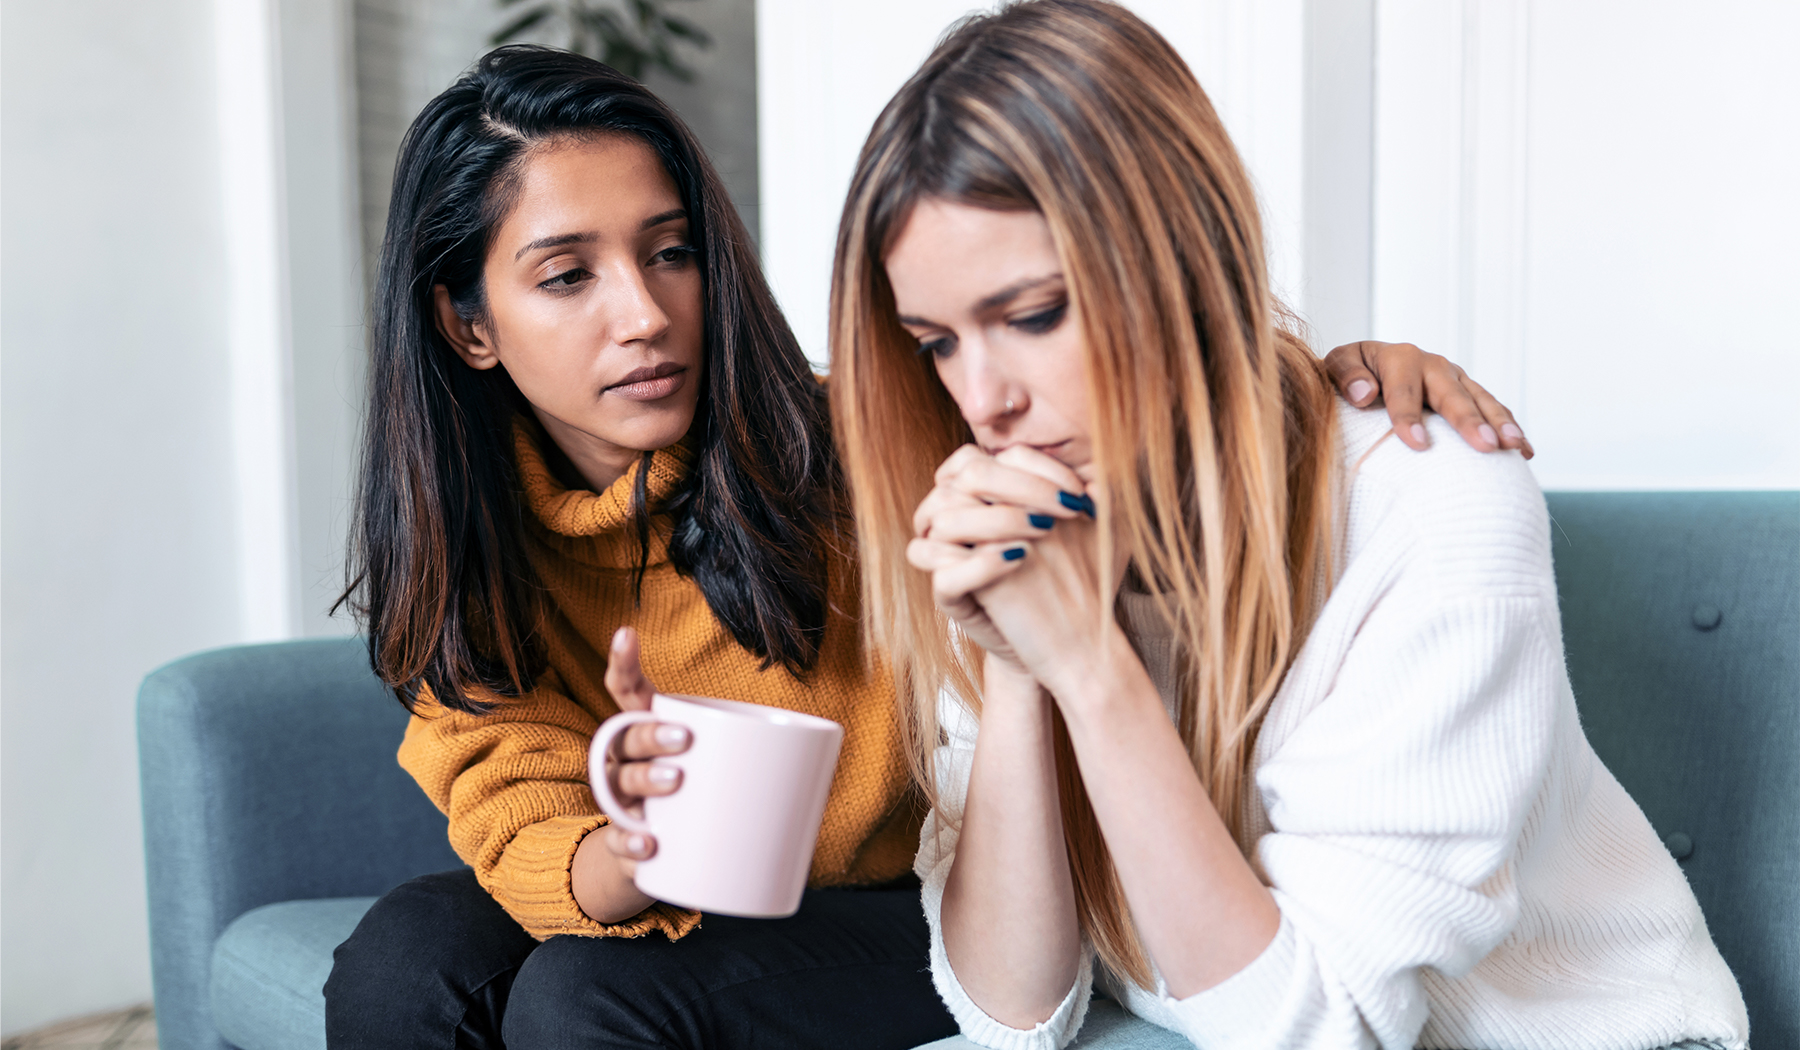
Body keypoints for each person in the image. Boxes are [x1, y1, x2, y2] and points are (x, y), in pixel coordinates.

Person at [324, 40, 1527, 1050]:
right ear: (468, 325)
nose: (644, 314)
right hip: (684, 884)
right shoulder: (463, 549)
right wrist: (639, 849)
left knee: (588, 998)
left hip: (914, 891)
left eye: (672, 250)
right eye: (567, 275)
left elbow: (1144, 387)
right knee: (405, 961)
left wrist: (1333, 379)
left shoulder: (873, 439)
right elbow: (512, 813)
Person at [829, 3, 1750, 1049]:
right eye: (937, 343)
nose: (980, 399)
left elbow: (1322, 1031)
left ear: (1186, 261)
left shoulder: (1433, 500)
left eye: (1036, 314)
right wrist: (1024, 665)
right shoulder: (1020, 513)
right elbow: (1011, 1013)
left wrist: (1091, 662)